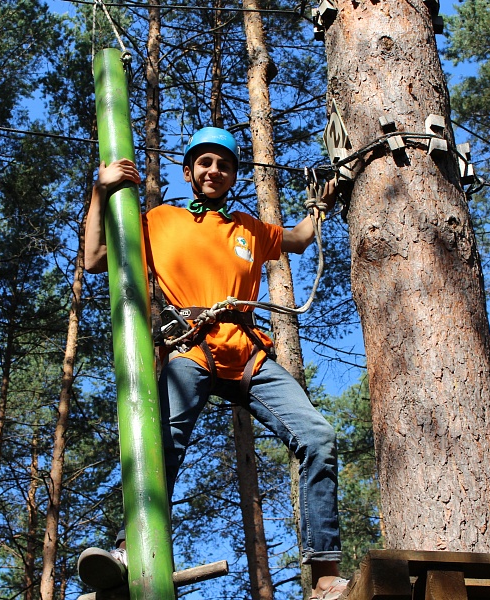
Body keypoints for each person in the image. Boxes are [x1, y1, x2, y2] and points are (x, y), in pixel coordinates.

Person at [80, 127, 347, 600]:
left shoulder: (250, 228)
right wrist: (101, 192)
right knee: (161, 444)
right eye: (204, 163)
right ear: (188, 172)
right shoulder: (159, 221)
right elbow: (96, 257)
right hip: (191, 347)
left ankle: (324, 574)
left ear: (232, 176)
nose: (214, 171)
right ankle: (129, 551)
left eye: (223, 165)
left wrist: (319, 204)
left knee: (319, 438)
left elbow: (302, 239)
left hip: (247, 350)